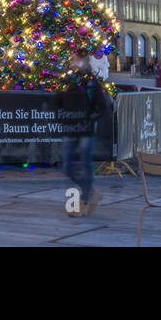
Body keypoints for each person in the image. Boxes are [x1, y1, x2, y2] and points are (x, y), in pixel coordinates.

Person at [60, 53, 111, 216]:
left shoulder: (90, 83)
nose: (74, 62)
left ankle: (86, 200)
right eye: (73, 59)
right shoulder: (68, 82)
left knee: (85, 164)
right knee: (67, 166)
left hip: (85, 131)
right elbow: (60, 102)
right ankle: (89, 191)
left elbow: (101, 106)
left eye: (77, 59)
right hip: (71, 129)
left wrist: (89, 119)